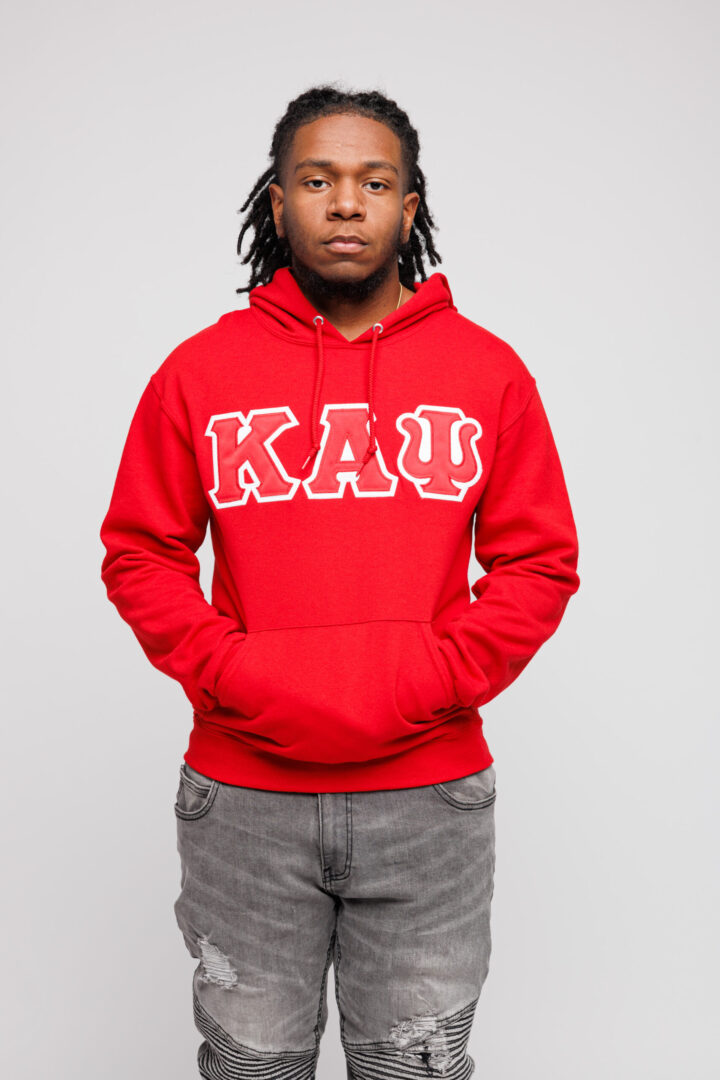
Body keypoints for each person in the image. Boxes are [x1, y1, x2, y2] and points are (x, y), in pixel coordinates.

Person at [99, 84, 580, 1080]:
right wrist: (231, 674)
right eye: (318, 181)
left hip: (428, 801)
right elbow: (141, 552)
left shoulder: (488, 373)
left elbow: (539, 562)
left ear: (410, 206)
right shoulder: (198, 373)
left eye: (375, 182)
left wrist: (434, 679)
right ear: (279, 205)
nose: (347, 203)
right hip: (244, 801)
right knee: (252, 1068)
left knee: (415, 1069)